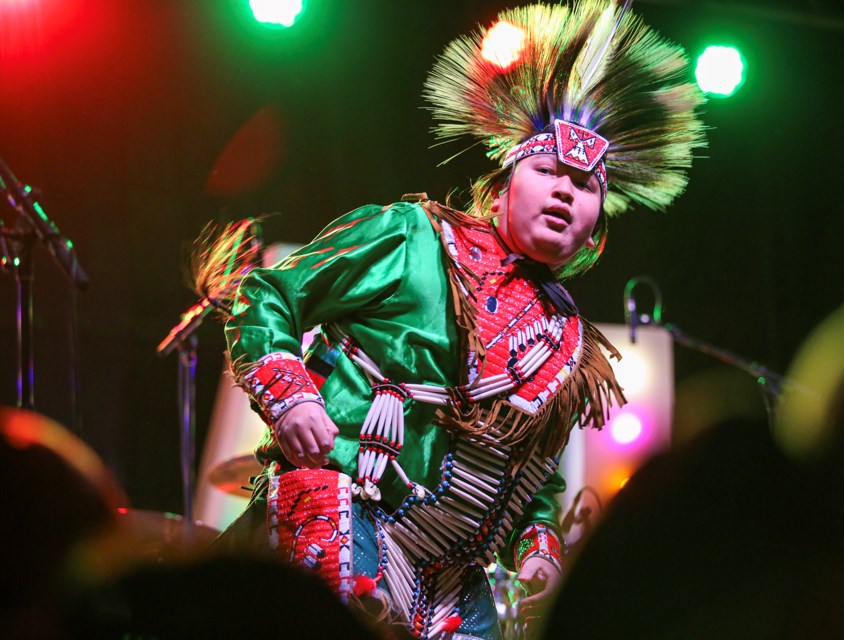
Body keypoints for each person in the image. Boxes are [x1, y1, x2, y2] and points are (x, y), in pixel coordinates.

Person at [209, 2, 704, 638]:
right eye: (546, 171)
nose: (562, 191)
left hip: (450, 579)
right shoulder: (410, 238)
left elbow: (531, 483)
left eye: (582, 186)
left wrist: (539, 551)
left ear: (595, 231)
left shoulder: (568, 345)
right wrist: (292, 397)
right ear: (499, 189)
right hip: (340, 507)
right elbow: (268, 296)